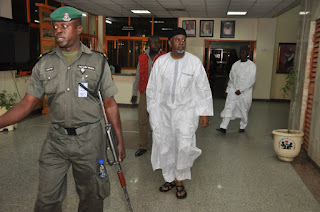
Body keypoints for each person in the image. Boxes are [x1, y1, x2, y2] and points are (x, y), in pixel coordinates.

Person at [0, 6, 126, 211]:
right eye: (56, 26)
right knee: (46, 200)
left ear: (78, 29)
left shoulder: (98, 61)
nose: (58, 30)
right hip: (56, 141)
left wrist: (119, 141)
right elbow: (27, 103)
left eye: (64, 26)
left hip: (89, 141)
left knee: (91, 197)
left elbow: (109, 104)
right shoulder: (44, 63)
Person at [146, 28, 213, 199]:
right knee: (165, 144)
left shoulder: (194, 62)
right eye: (177, 39)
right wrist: (153, 111)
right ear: (170, 43)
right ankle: (169, 178)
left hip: (186, 113)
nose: (181, 43)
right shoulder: (161, 62)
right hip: (163, 113)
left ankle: (180, 180)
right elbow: (152, 89)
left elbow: (202, 88)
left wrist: (204, 113)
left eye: (183, 39)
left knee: (184, 146)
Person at [131, 35, 166, 157]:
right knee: (142, 121)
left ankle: (161, 147)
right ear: (149, 44)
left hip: (160, 95)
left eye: (158, 42)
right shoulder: (142, 57)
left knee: (160, 122)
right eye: (154, 42)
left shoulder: (165, 57)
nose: (156, 44)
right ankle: (143, 146)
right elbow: (138, 76)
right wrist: (134, 93)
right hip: (144, 94)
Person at [216, 47, 256, 134]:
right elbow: (231, 78)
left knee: (243, 110)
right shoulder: (235, 64)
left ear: (247, 54)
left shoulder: (252, 66)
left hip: (245, 93)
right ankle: (223, 127)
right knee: (228, 108)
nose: (241, 54)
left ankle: (242, 126)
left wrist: (241, 90)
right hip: (233, 90)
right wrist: (228, 90)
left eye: (243, 52)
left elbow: (251, 81)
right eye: (240, 52)